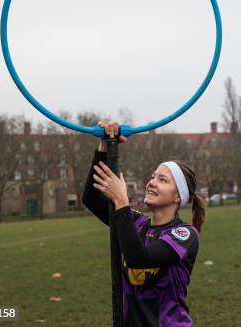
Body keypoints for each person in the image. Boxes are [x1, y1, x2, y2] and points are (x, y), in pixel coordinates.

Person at [82, 121, 206, 327]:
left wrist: (121, 201)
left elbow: (138, 258)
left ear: (178, 196)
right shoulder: (138, 223)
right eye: (153, 176)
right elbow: (91, 199)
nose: (152, 182)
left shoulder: (184, 235)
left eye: (163, 180)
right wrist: (103, 148)